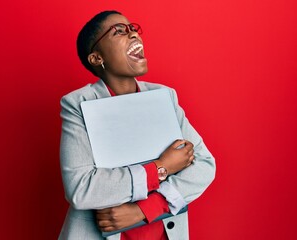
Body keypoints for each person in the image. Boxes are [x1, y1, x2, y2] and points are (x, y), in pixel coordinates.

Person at [59, 10, 216, 240]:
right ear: (97, 58)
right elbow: (81, 188)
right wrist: (161, 167)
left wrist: (145, 209)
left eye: (133, 29)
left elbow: (204, 165)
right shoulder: (78, 104)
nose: (133, 35)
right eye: (119, 31)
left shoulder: (164, 96)